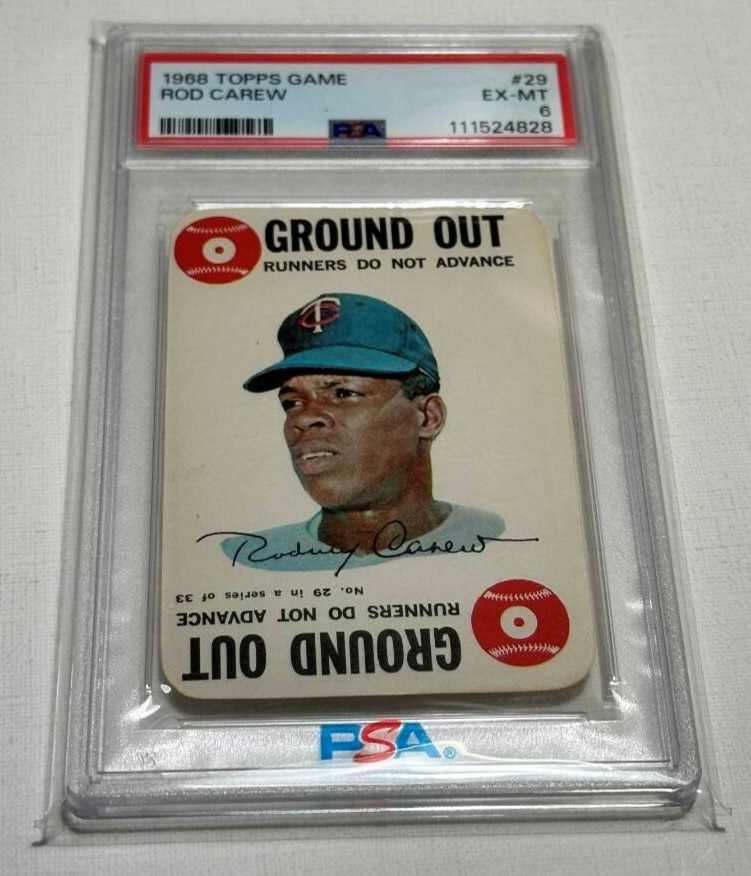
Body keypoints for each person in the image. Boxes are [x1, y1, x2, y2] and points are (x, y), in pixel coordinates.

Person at [214, 293, 504, 573]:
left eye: (344, 393)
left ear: (428, 417)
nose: (303, 418)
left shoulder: (497, 540)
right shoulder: (247, 560)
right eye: (291, 403)